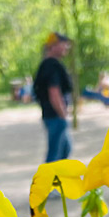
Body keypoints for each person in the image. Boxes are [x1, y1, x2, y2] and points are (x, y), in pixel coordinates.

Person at [33, 32, 73, 162]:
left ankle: (58, 179)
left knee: (65, 149)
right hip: (55, 116)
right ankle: (47, 181)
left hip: (53, 116)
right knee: (54, 155)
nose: (66, 48)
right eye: (64, 45)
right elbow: (54, 92)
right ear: (54, 46)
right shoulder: (51, 66)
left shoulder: (47, 65)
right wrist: (62, 113)